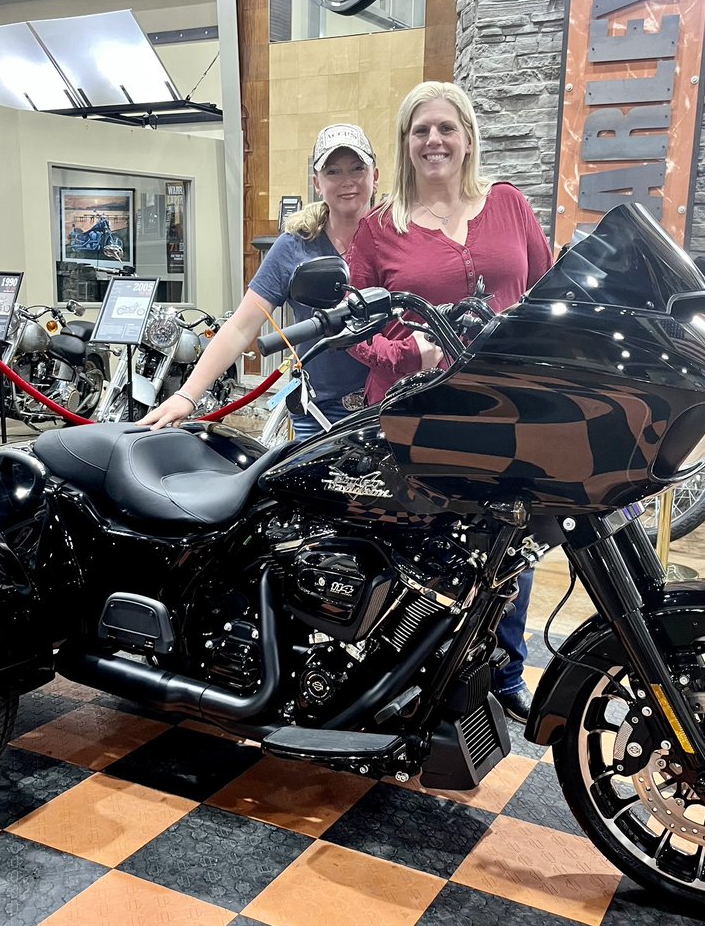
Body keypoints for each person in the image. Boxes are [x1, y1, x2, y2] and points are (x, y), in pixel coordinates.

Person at [345, 81, 555, 723]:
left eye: (446, 128)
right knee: (430, 547)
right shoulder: (381, 229)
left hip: (509, 407)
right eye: (420, 130)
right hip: (418, 412)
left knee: (510, 540)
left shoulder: (510, 205)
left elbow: (548, 293)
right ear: (406, 145)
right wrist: (413, 354)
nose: (434, 141)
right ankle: (420, 675)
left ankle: (504, 665)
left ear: (467, 137)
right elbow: (353, 331)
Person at [138, 123, 377, 436]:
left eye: (357, 168)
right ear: (317, 182)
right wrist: (187, 395)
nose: (347, 181)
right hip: (320, 410)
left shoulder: (399, 240)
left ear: (375, 174)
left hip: (389, 403)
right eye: (333, 171)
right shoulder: (295, 245)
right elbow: (241, 326)